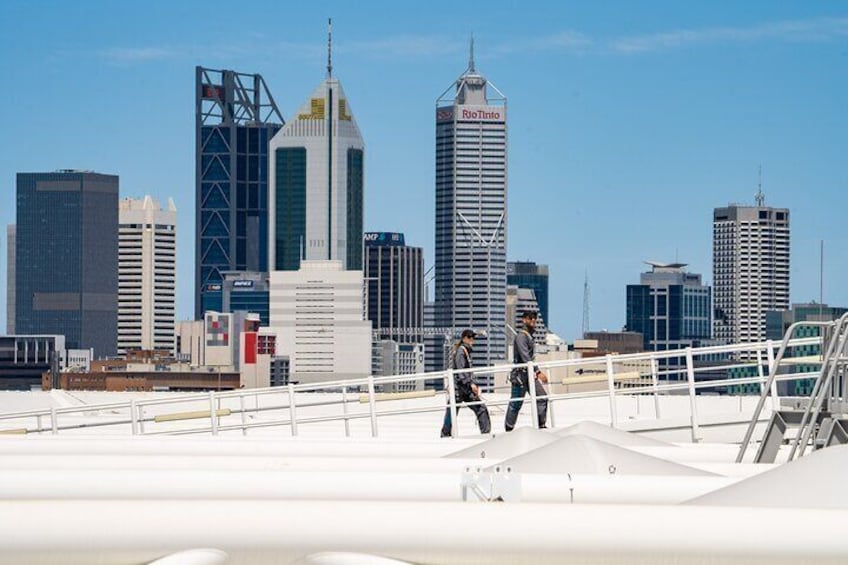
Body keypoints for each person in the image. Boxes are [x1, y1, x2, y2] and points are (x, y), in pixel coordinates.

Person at [441, 329, 491, 437]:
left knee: (479, 408)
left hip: (463, 388)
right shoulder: (461, 351)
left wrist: (473, 383)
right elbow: (461, 370)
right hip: (460, 388)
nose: (471, 339)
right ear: (464, 338)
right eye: (469, 337)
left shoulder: (465, 351)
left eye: (473, 337)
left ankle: (485, 433)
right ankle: (445, 434)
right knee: (453, 411)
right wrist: (471, 384)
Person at [504, 311, 548, 431]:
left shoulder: (529, 336)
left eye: (534, 319)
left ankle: (541, 426)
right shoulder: (521, 336)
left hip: (529, 374)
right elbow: (525, 357)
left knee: (542, 397)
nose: (533, 321)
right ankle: (509, 429)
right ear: (524, 320)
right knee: (516, 403)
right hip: (520, 375)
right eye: (530, 318)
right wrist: (538, 372)